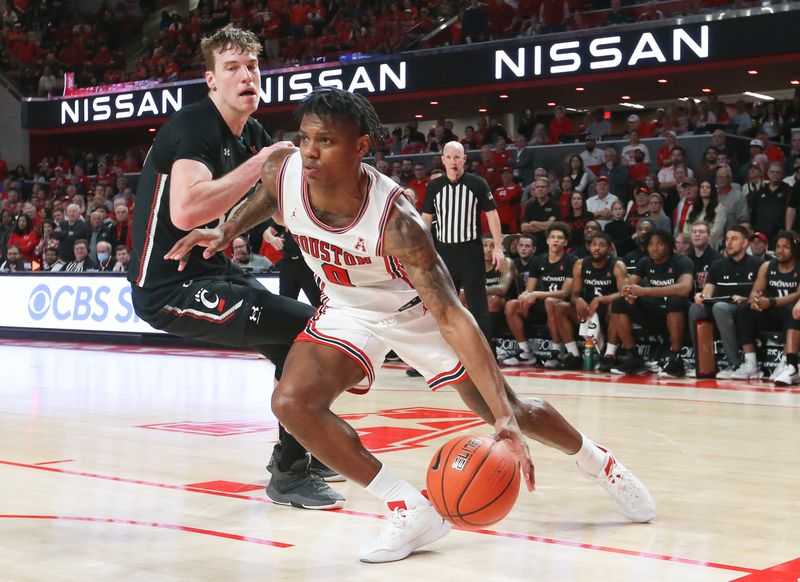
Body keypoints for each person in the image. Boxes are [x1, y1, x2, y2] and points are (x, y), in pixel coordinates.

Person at [167, 87, 656, 563]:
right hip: (345, 308)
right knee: (292, 403)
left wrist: (502, 417)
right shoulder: (284, 168)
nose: (310, 152)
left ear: (360, 147)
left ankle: (601, 464)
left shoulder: (398, 221)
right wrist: (228, 227)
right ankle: (409, 508)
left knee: (508, 410)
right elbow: (271, 199)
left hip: (412, 314)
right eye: (305, 137)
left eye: (325, 141)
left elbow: (450, 313)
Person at [126, 25, 342, 510]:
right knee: (306, 333)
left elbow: (274, 198)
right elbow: (186, 211)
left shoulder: (253, 133)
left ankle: (301, 444)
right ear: (211, 80)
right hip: (169, 289)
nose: (247, 76)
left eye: (253, 66)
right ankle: (290, 472)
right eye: (233, 68)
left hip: (215, 271)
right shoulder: (193, 127)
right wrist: (262, 162)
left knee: (307, 340)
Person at [422, 141, 504, 346]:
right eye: (449, 157)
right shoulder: (434, 187)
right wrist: (424, 250)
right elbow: (425, 220)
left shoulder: (477, 184)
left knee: (479, 309)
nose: (453, 161)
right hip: (443, 254)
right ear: (443, 160)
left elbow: (492, 215)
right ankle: (442, 360)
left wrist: (498, 247)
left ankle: (489, 359)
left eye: (457, 157)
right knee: (442, 309)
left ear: (464, 159)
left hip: (471, 254)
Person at [611, 229, 694, 377]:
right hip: (656, 315)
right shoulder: (645, 262)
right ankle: (634, 358)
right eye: (650, 244)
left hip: (680, 316)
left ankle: (675, 358)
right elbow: (628, 286)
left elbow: (685, 289)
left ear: (668, 246)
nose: (654, 248)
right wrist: (628, 293)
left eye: (660, 244)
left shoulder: (682, 261)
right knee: (619, 303)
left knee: (675, 300)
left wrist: (646, 291)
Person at [689, 226, 761, 379]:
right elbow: (708, 291)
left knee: (720, 308)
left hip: (746, 308)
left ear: (745, 243)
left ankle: (733, 363)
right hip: (720, 305)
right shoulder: (718, 265)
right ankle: (701, 362)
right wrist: (701, 296)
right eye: (727, 239)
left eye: (734, 239)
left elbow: (762, 294)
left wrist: (745, 299)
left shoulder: (757, 264)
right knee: (695, 308)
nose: (729, 243)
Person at [503, 223, 577, 367]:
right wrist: (524, 295)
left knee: (551, 301)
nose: (556, 240)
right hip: (540, 307)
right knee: (511, 305)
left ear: (565, 242)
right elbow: (529, 289)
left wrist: (536, 294)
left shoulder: (571, 260)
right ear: (547, 240)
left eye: (560, 238)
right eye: (553, 237)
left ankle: (556, 352)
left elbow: (565, 293)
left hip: (562, 307)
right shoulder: (538, 260)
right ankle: (525, 352)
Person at [733, 231, 800, 385]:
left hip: (793, 315)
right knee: (744, 308)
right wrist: (755, 301)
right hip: (774, 314)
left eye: (785, 247)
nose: (780, 250)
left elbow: (798, 295)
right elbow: (755, 292)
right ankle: (750, 363)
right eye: (777, 247)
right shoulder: (767, 266)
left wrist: (771, 301)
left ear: (794, 250)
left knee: (792, 308)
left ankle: (789, 364)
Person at [555, 232, 627, 371]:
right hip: (587, 312)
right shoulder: (580, 264)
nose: (597, 248)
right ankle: (573, 355)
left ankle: (609, 355)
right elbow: (574, 294)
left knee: (616, 306)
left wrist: (602, 299)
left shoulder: (617, 265)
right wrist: (578, 300)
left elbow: (624, 293)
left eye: (602, 245)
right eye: (594, 244)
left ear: (609, 249)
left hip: (607, 312)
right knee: (559, 307)